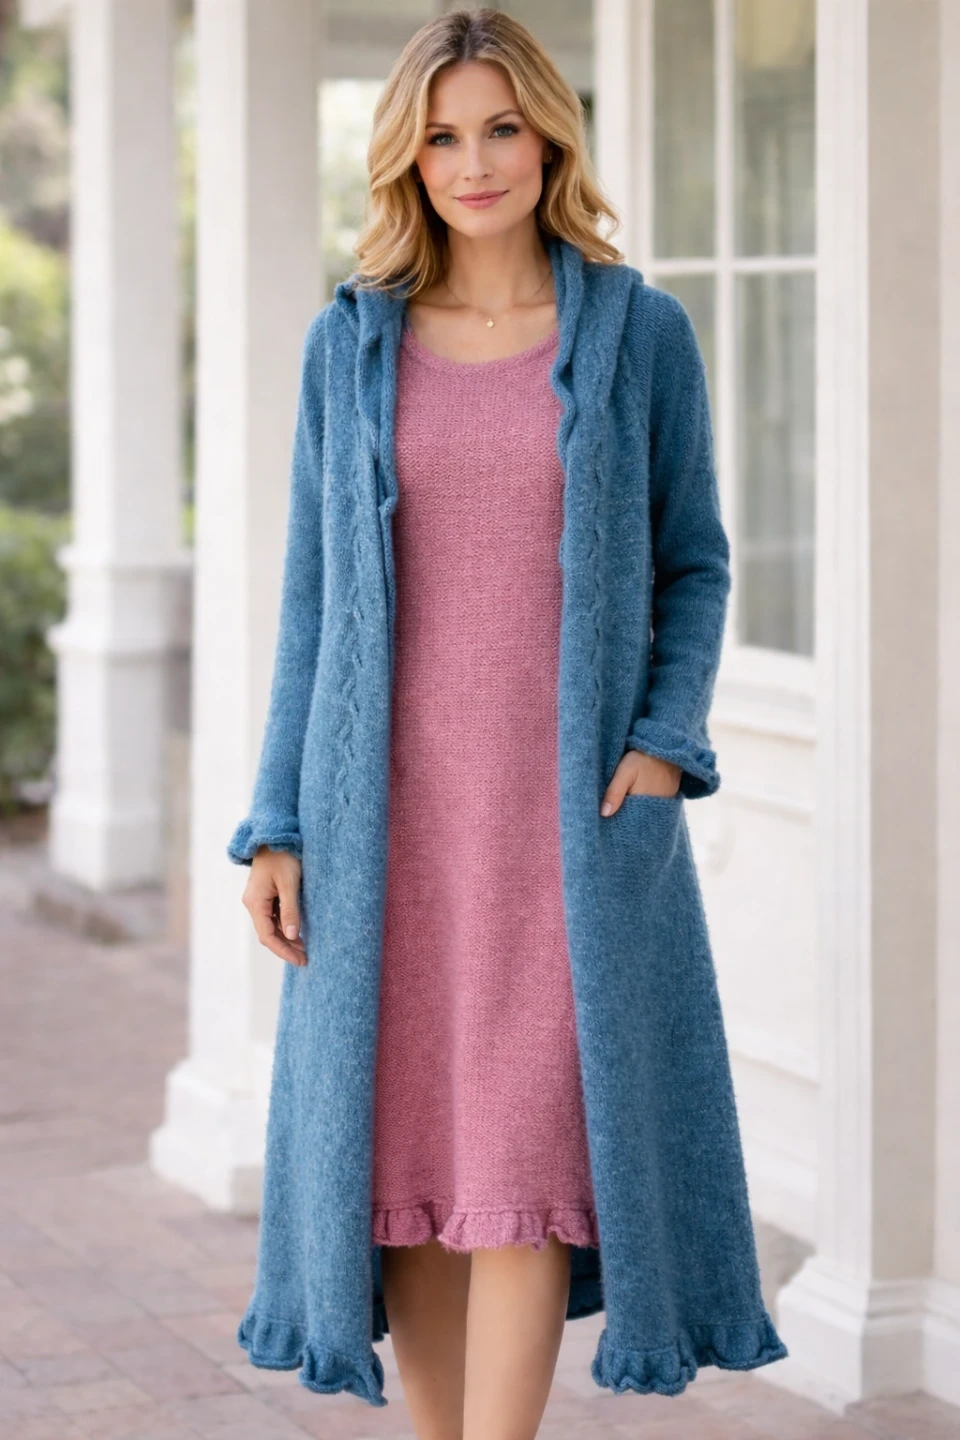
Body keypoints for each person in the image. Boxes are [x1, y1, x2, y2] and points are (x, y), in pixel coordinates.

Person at [228, 7, 788, 1437]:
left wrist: (662, 744)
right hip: (385, 827)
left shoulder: (638, 334)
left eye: (499, 128)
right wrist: (279, 819)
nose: (473, 163)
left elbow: (695, 561)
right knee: (412, 1173)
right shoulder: (349, 347)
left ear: (548, 137)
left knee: (530, 1170)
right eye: (440, 137)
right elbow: (312, 601)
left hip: (568, 829)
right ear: (405, 159)